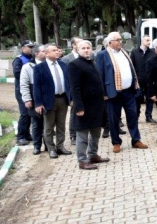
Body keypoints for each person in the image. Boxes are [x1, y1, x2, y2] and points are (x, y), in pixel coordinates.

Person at [95, 32, 148, 153]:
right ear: (110, 43)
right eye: (117, 40)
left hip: (128, 91)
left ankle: (136, 140)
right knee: (113, 119)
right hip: (112, 93)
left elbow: (130, 69)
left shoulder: (124, 53)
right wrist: (103, 93)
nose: (120, 42)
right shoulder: (102, 55)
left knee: (133, 115)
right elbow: (100, 76)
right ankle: (116, 142)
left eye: (120, 39)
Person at [68, 40, 110, 170]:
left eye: (88, 48)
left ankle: (92, 155)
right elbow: (74, 88)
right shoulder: (74, 65)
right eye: (83, 48)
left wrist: (103, 94)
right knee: (82, 135)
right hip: (84, 106)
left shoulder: (92, 62)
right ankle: (82, 160)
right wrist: (79, 107)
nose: (86, 50)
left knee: (96, 132)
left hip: (96, 105)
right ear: (78, 50)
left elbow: (97, 81)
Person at [33, 44, 72, 159]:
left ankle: (60, 146)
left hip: (63, 99)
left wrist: (71, 98)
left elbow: (68, 83)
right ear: (46, 53)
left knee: (61, 125)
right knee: (49, 127)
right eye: (53, 50)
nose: (57, 52)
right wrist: (38, 103)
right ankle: (51, 148)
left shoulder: (63, 65)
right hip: (48, 101)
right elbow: (37, 87)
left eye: (57, 50)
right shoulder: (39, 67)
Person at [19, 44, 46, 155]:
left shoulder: (48, 65)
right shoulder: (28, 67)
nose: (46, 53)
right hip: (34, 99)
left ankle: (48, 145)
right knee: (36, 123)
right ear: (37, 54)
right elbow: (24, 84)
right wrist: (27, 99)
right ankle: (37, 146)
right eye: (44, 51)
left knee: (48, 124)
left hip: (47, 98)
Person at [62, 37, 84, 146]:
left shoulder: (88, 56)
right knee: (74, 113)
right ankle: (73, 135)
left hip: (85, 91)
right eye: (79, 43)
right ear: (74, 45)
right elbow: (66, 80)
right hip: (73, 91)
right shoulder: (66, 59)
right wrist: (70, 97)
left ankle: (83, 133)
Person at [13, 40, 35, 146]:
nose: (31, 48)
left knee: (30, 113)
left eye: (32, 47)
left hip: (31, 90)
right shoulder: (19, 60)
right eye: (29, 47)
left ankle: (26, 134)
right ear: (23, 48)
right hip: (21, 91)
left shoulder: (32, 59)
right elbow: (17, 74)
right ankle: (20, 136)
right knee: (24, 114)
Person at [130, 35, 155, 123]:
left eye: (150, 40)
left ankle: (148, 116)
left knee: (150, 98)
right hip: (139, 80)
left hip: (149, 80)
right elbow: (131, 66)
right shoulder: (134, 52)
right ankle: (136, 115)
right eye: (147, 40)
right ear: (142, 41)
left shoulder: (152, 52)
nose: (149, 42)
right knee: (137, 98)